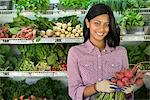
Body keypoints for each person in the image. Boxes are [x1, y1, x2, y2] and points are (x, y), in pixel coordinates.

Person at [67, 3, 141, 100]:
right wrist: (96, 87)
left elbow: (125, 89)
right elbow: (74, 92)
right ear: (87, 23)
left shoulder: (120, 52)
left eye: (106, 25)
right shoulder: (75, 53)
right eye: (97, 23)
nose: (102, 29)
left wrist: (129, 90)